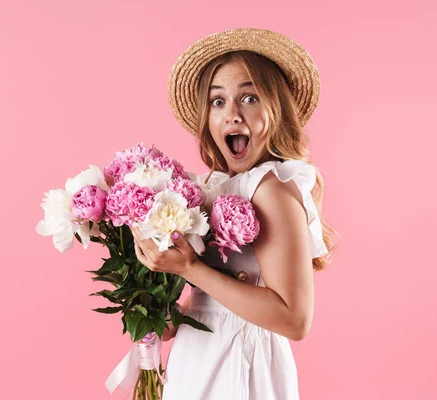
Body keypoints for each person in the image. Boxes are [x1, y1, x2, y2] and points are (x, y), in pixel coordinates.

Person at [130, 28, 338, 400]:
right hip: (198, 358)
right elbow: (201, 306)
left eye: (249, 97)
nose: (233, 115)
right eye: (217, 101)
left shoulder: (271, 188)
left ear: (275, 110)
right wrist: (145, 293)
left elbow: (295, 319)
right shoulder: (216, 186)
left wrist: (190, 268)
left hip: (239, 367)